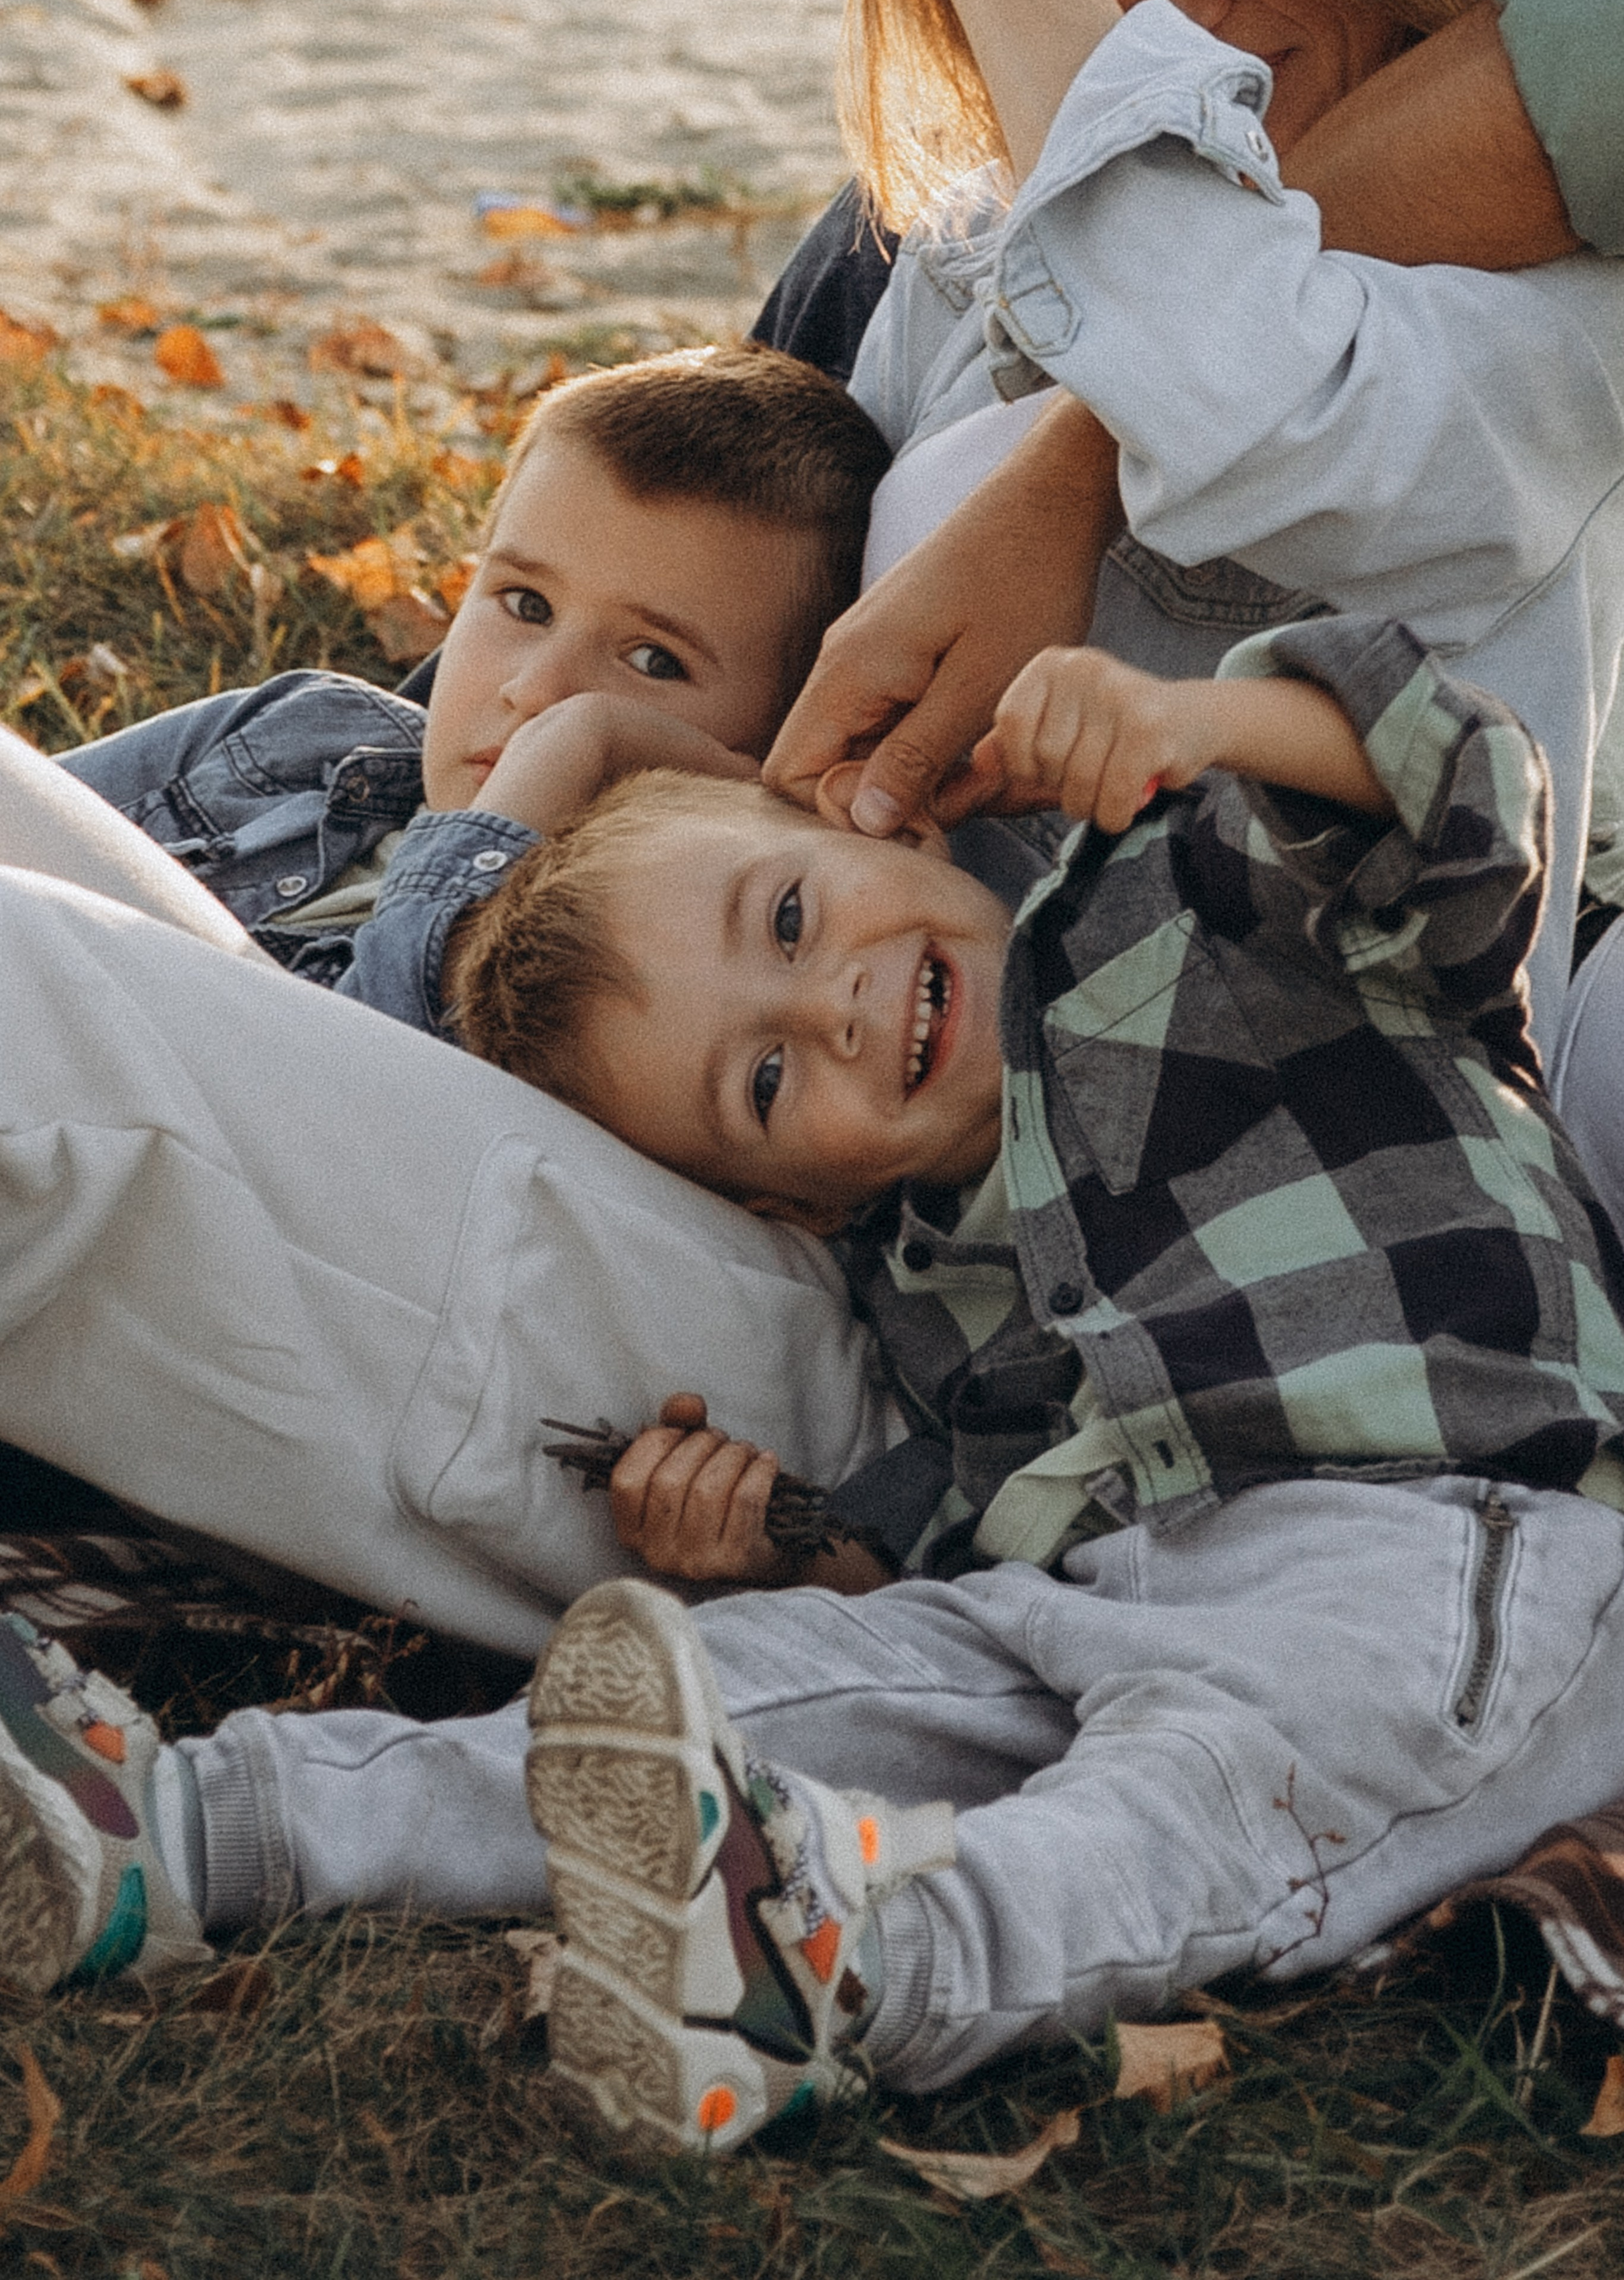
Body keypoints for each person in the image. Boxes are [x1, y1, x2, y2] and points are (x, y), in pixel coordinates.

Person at [22, 610, 1624, 2129]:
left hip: (1457, 1538)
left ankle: (850, 1974)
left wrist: (1183, 719)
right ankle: (194, 1829)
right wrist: (782, 1550)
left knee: (1187, 1801)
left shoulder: (1207, 910)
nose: (835, 1009)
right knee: (765, 1694)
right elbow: (939, 1553)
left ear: (886, 834)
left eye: (789, 917)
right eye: (767, 1077)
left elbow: (1469, 775)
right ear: (793, 1199)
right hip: (1106, 1599)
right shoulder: (916, 1282)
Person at [756, 0, 1624, 1071]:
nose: (1169, 5)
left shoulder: (1558, 331)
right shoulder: (966, 239)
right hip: (843, 1093)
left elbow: (1240, 386)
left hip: (1281, 1204)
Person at [56, 344, 889, 1040]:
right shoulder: (304, 732)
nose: (540, 693)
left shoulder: (613, 1014)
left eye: (652, 661)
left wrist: (564, 764)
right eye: (527, 605)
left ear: (784, 737)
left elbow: (336, 1095)